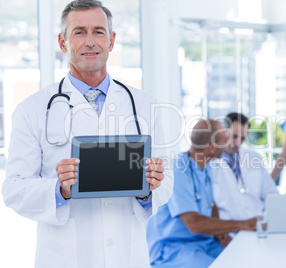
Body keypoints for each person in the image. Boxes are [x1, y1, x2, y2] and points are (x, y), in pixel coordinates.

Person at [2, 1, 173, 267]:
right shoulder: (32, 109)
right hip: (64, 257)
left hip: (127, 257)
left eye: (99, 32)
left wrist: (148, 189)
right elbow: (13, 188)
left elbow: (167, 179)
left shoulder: (145, 105)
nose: (90, 41)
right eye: (79, 32)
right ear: (63, 42)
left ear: (112, 41)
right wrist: (59, 190)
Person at [146, 119, 256, 268]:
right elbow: (194, 224)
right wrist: (243, 224)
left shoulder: (207, 167)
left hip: (203, 242)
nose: (229, 144)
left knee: (244, 260)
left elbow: (211, 204)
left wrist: (219, 232)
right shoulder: (178, 170)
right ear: (211, 148)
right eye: (225, 140)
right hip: (174, 248)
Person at [209, 113, 278, 221]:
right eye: (234, 136)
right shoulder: (210, 163)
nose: (238, 143)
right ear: (223, 132)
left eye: (242, 138)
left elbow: (271, 195)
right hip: (229, 228)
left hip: (258, 223)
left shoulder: (254, 158)